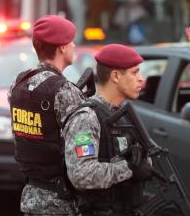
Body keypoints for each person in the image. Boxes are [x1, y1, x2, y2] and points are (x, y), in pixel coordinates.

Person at [63, 44, 154, 215]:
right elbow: (81, 175)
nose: (141, 78)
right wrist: (129, 169)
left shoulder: (124, 115)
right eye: (135, 72)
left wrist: (139, 161)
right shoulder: (87, 118)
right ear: (116, 76)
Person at [8, 15, 84, 216]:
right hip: (61, 202)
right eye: (70, 42)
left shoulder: (18, 84)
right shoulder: (64, 92)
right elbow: (82, 152)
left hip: (32, 197)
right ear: (61, 47)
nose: (74, 45)